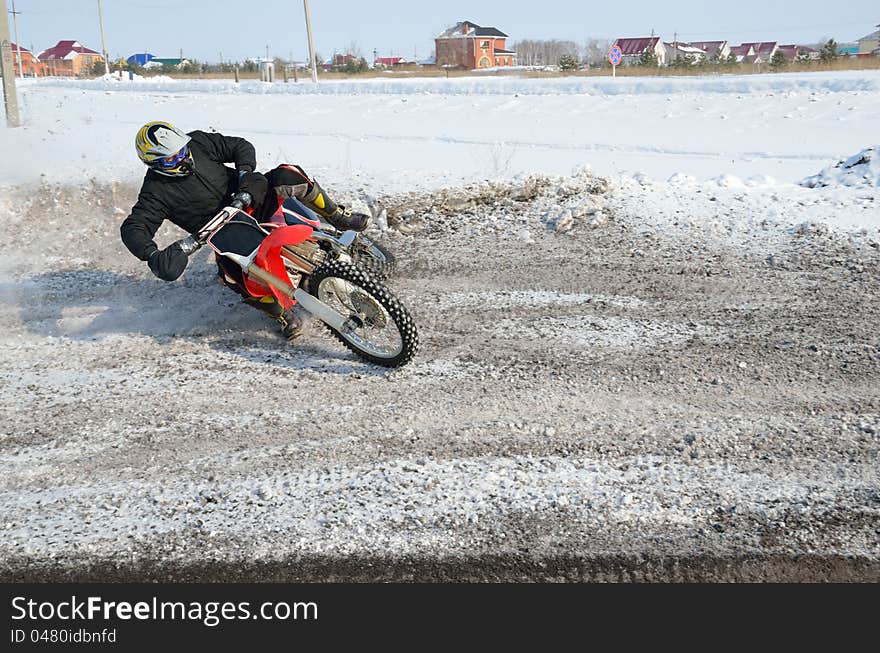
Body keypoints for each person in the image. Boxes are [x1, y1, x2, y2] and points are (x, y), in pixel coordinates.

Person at [120, 121, 370, 341]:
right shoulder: (155, 191)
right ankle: (283, 313)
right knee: (231, 276)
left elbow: (240, 146)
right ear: (153, 163)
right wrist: (152, 255)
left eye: (182, 151)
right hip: (226, 231)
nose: (182, 159)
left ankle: (338, 216)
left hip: (252, 197)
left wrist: (245, 175)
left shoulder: (198, 142)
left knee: (288, 174)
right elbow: (134, 227)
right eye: (172, 159)